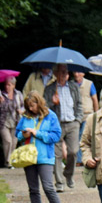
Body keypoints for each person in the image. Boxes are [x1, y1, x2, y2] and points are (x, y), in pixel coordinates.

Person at [15, 91, 68, 203]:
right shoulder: (25, 117)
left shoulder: (50, 116)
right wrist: (23, 134)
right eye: (28, 106)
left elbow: (56, 136)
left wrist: (36, 133)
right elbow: (17, 134)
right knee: (33, 189)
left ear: (39, 103)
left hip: (45, 156)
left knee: (48, 187)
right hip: (28, 157)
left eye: (33, 105)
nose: (31, 108)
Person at [44, 64, 84, 192]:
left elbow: (79, 104)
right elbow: (44, 109)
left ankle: (68, 174)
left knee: (73, 152)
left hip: (72, 123)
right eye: (61, 72)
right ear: (55, 73)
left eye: (65, 72)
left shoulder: (73, 87)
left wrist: (78, 120)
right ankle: (59, 182)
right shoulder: (50, 89)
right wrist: (52, 102)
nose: (64, 75)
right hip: (57, 124)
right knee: (57, 154)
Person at [0, 76, 24, 168]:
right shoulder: (0, 94)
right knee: (8, 140)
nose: (7, 87)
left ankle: (10, 161)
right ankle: (8, 162)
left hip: (16, 121)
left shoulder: (18, 94)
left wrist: (21, 110)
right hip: (3, 121)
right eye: (5, 85)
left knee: (14, 141)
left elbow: (23, 106)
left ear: (13, 85)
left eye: (9, 85)